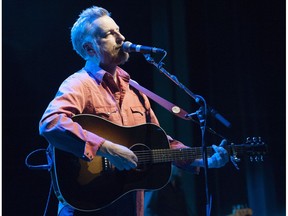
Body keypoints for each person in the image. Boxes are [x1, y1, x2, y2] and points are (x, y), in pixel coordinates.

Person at [39, 5, 229, 216]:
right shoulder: (79, 84)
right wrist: (107, 148)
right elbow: (51, 123)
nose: (121, 38)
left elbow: (162, 144)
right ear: (90, 49)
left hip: (129, 205)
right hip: (87, 204)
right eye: (109, 34)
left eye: (119, 30)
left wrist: (204, 160)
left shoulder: (135, 91)